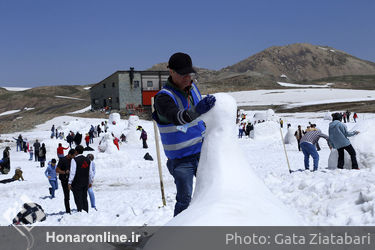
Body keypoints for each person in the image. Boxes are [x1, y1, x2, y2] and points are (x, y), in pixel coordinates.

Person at [153, 52, 216, 216]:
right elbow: (178, 118)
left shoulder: (193, 88)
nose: (187, 78)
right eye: (182, 74)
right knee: (185, 200)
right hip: (181, 161)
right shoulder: (163, 98)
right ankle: (177, 235)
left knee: (212, 191)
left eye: (190, 74)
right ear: (171, 72)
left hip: (202, 153)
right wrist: (197, 110)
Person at [68, 145, 94, 213]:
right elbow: (90, 173)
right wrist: (90, 182)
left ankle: (80, 211)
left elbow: (72, 172)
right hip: (85, 182)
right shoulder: (88, 160)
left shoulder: (74, 160)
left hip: (77, 182)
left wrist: (69, 182)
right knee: (84, 197)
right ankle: (86, 211)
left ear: (76, 151)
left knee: (78, 197)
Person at [56, 149, 76, 213]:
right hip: (64, 180)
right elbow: (57, 170)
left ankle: (79, 208)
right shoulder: (62, 159)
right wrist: (64, 172)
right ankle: (68, 211)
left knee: (76, 194)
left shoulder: (73, 160)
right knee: (67, 196)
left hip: (72, 180)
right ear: (70, 154)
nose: (74, 157)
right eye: (73, 155)